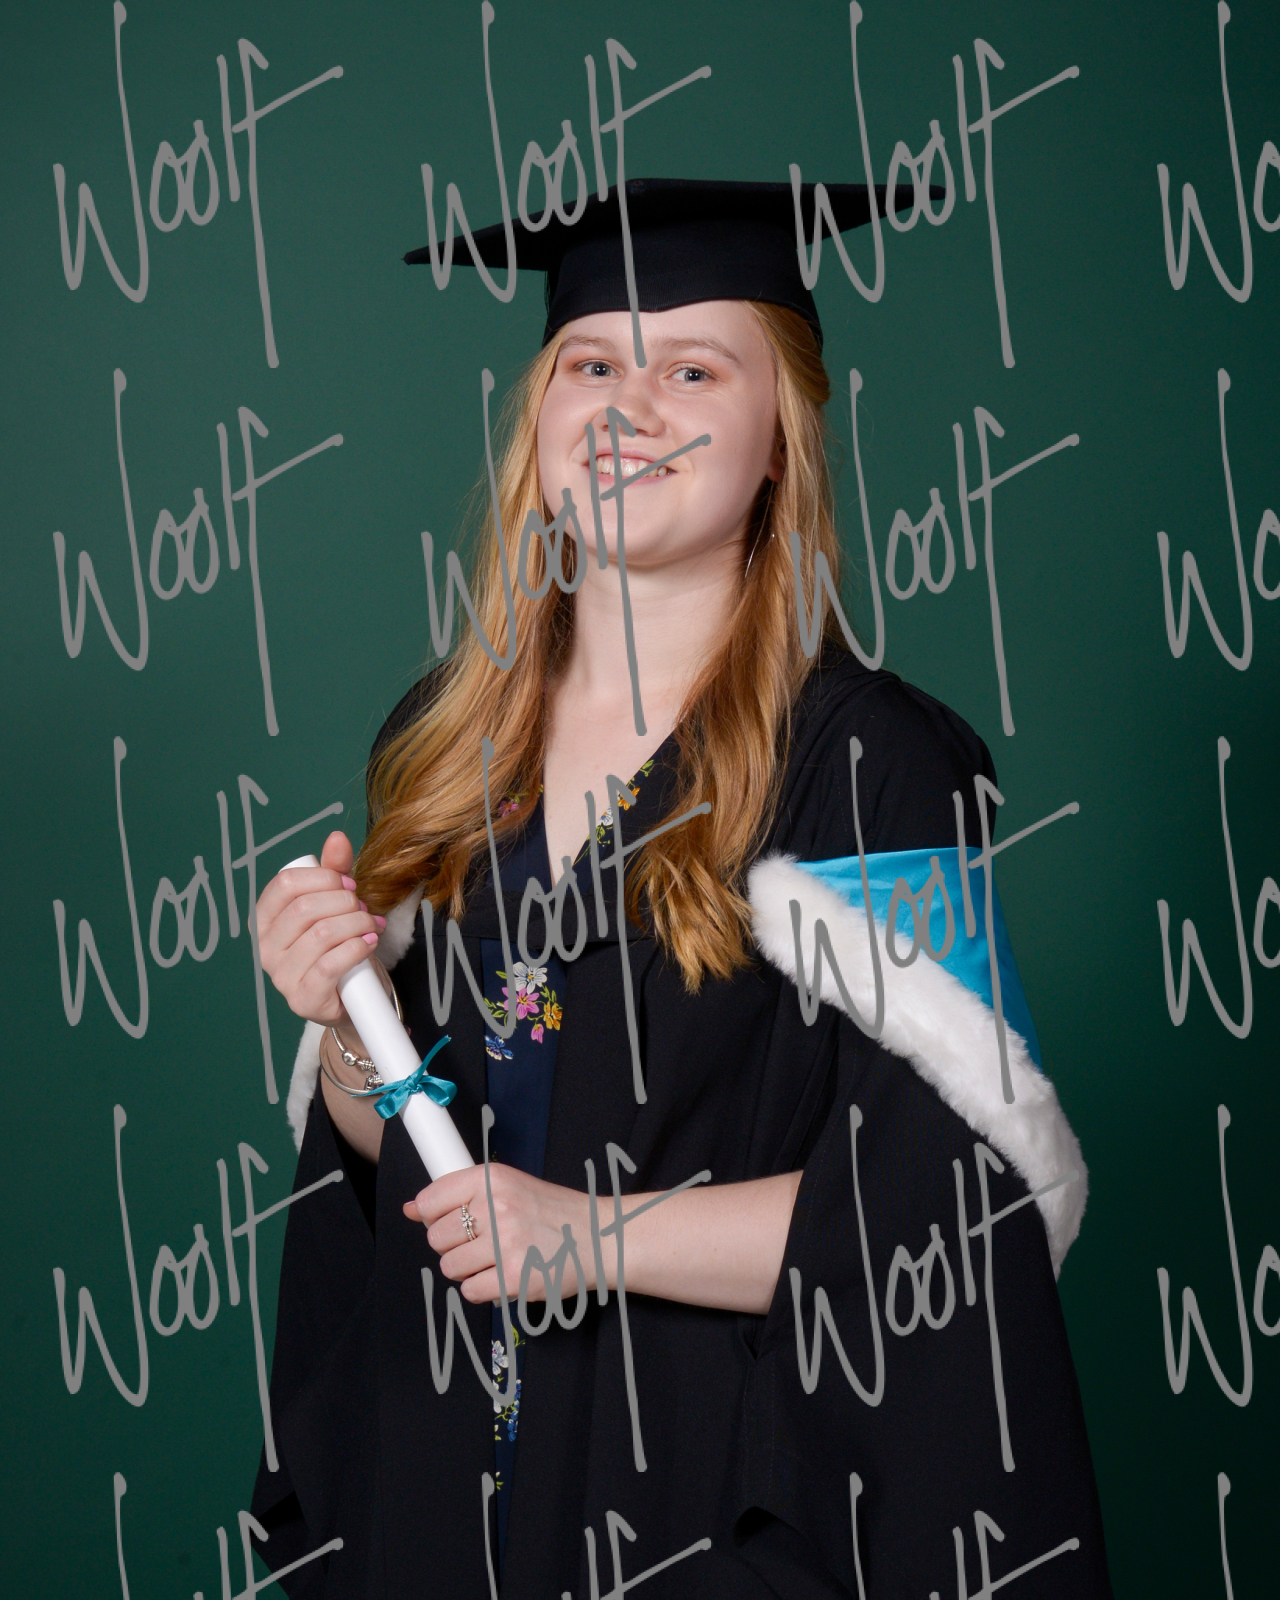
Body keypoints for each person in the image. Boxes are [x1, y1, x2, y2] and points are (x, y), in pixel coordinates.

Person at [250, 180, 1113, 1599]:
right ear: (540, 416)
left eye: (696, 370)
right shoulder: (445, 744)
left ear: (782, 440)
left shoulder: (872, 763)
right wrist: (344, 1021)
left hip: (716, 1505)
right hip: (449, 1490)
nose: (629, 406)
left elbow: (954, 1213)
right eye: (592, 364)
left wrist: (592, 1238)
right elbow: (405, 1154)